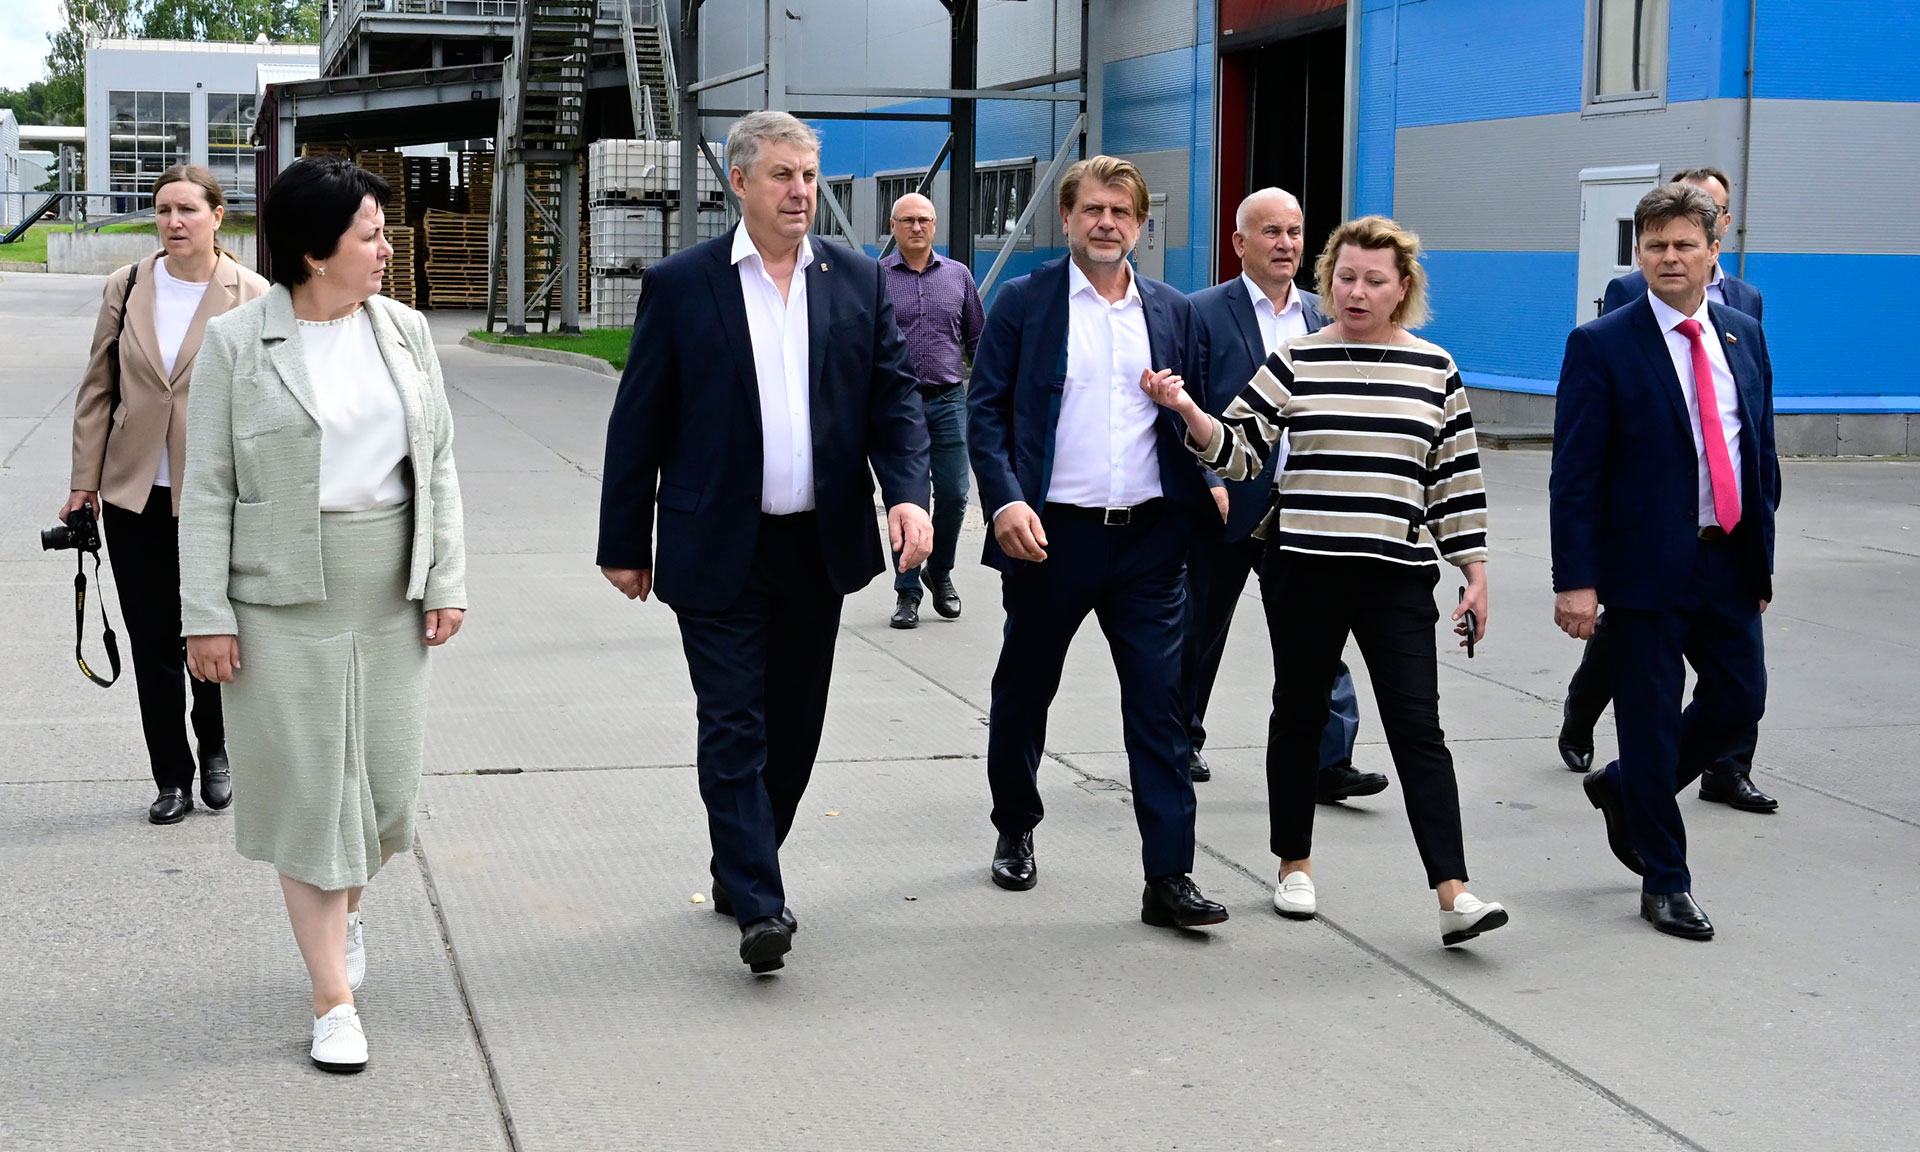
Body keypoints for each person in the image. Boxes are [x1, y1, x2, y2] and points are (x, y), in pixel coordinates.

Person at [597, 112, 932, 975]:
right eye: (783, 175)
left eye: (809, 176)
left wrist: (908, 495)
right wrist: (624, 540)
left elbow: (894, 399)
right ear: (739, 182)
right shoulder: (683, 285)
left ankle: (740, 858)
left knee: (795, 727)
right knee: (733, 723)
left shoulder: (856, 280)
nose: (800, 192)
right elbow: (640, 421)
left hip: (816, 546)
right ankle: (759, 901)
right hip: (717, 544)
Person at [1143, 215, 1509, 947]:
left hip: (1397, 578)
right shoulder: (1297, 360)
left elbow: (1454, 482)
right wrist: (1187, 411)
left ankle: (1454, 892)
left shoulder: (1435, 369)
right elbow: (1241, 452)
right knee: (1300, 713)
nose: (1356, 292)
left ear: (1403, 288)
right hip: (1304, 570)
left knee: (1418, 730)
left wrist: (1474, 571)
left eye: (1374, 280)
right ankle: (1294, 865)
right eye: (1345, 277)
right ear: (1329, 281)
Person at [181, 157, 468, 1070]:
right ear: (314, 251)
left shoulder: (406, 331)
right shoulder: (237, 344)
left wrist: (446, 578)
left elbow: (439, 462)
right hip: (279, 600)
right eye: (370, 235)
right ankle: (331, 998)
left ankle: (344, 916)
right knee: (312, 800)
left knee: (382, 797)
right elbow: (208, 487)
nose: (387, 249)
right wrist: (204, 614)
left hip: (388, 590)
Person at [968, 155, 1228, 930]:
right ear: (1067, 219)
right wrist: (1006, 501)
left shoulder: (1172, 311)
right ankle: (1015, 826)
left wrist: (1204, 469)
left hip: (1150, 543)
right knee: (1024, 691)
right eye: (1092, 209)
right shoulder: (1025, 302)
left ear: (1141, 225)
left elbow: (1195, 409)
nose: (1106, 223)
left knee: (1161, 707)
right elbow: (985, 413)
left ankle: (1168, 877)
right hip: (1051, 538)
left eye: (1121, 211)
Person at [1550, 183, 1779, 942]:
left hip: (1727, 560)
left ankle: (1624, 790)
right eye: (1655, 245)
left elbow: (1758, 453)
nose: (1669, 257)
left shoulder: (1743, 334)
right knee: (1648, 724)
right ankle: (1665, 879)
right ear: (1639, 254)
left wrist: (1760, 560)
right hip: (1643, 569)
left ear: (1715, 251)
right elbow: (1575, 474)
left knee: (1739, 701)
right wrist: (1576, 580)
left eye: (1684, 244)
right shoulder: (1603, 343)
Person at [62, 165, 268, 824]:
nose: (174, 222)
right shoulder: (126, 286)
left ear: (217, 215)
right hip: (134, 495)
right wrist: (83, 482)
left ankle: (216, 749)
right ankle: (170, 775)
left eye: (187, 209)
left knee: (209, 631)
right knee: (151, 640)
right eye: (163, 210)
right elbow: (98, 388)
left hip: (214, 496)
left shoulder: (253, 293)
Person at [1184, 187, 1381, 803]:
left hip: (1304, 506)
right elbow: (1182, 407)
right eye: (1271, 232)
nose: (1286, 244)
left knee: (1318, 636)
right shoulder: (1201, 313)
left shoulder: (1325, 316)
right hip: (1226, 503)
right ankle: (1179, 739)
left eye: (1294, 232)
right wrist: (1209, 479)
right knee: (1197, 632)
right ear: (1239, 242)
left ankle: (1329, 760)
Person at [879, 191, 984, 629]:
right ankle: (907, 591)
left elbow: (977, 338)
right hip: (898, 404)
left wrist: (989, 395)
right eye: (907, 220)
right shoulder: (878, 278)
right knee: (907, 498)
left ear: (935, 225)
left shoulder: (958, 276)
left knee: (956, 493)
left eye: (924, 219)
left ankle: (939, 572)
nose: (917, 227)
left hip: (948, 399)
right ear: (893, 226)